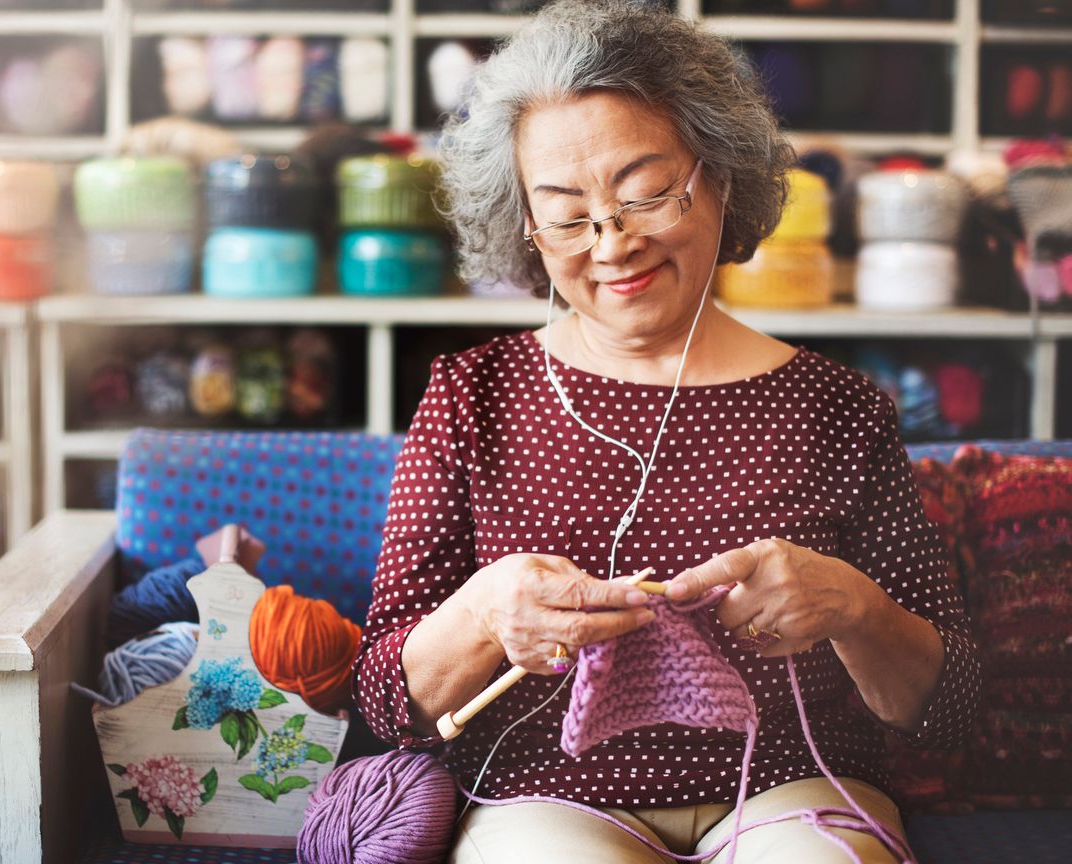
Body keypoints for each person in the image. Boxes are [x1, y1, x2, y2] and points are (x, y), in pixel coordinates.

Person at [353, 2, 980, 862]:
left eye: (646, 193)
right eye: (567, 214)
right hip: (545, 795)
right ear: (524, 226)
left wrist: (854, 608)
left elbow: (944, 709)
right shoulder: (474, 396)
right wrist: (484, 615)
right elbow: (385, 700)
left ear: (720, 174)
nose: (611, 243)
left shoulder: (838, 409)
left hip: (794, 788)